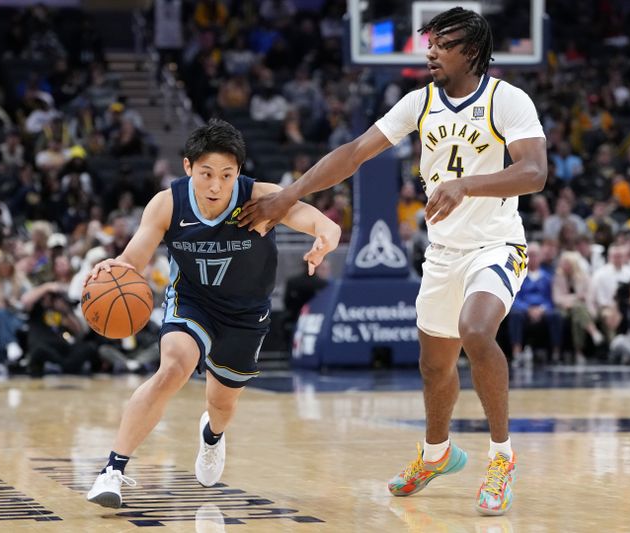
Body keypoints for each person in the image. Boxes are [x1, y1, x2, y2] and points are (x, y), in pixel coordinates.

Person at [239, 7, 546, 516]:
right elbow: (354, 153)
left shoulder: (506, 99)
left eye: (441, 43)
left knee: (476, 330)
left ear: (470, 51)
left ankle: (502, 457)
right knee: (433, 366)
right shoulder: (418, 103)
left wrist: (465, 185)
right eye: (430, 41)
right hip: (443, 253)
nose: (429, 51)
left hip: (496, 246)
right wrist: (287, 196)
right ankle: (436, 454)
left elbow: (534, 172)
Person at [85, 119, 340, 508]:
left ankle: (212, 437)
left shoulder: (261, 198)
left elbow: (316, 219)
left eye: (226, 174)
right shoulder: (168, 203)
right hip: (192, 302)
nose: (216, 185)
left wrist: (326, 236)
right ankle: (112, 470)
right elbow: (134, 256)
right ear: (188, 167)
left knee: (222, 406)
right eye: (206, 174)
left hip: (245, 312)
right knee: (173, 367)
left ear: (239, 171)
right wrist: (116, 266)